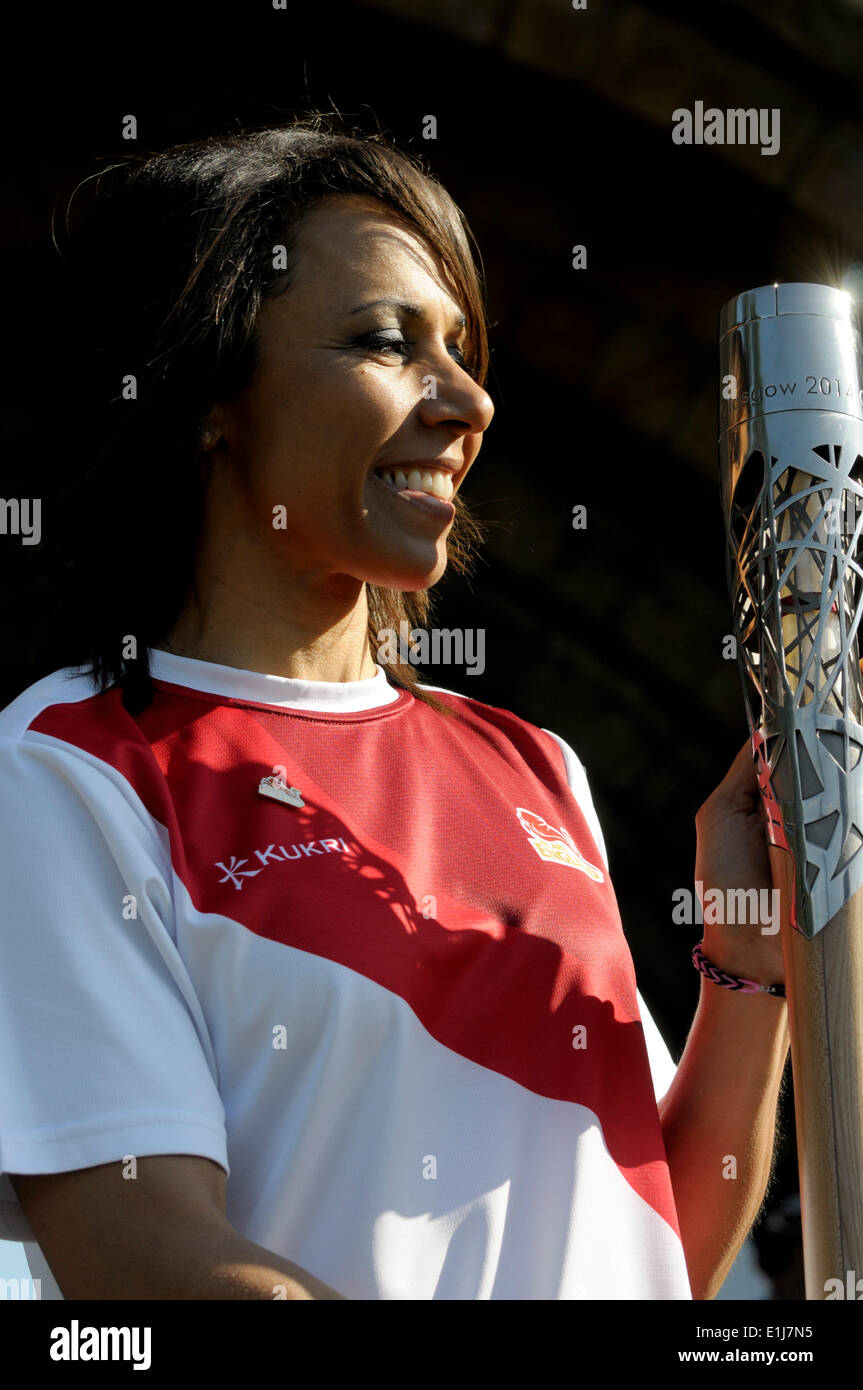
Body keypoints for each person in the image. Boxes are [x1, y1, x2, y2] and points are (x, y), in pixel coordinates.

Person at [0, 115, 789, 1300]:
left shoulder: (531, 764)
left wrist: (751, 966)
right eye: (385, 342)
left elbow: (652, 1245)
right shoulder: (72, 768)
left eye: (462, 349)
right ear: (208, 391)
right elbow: (146, 1259)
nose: (467, 400)